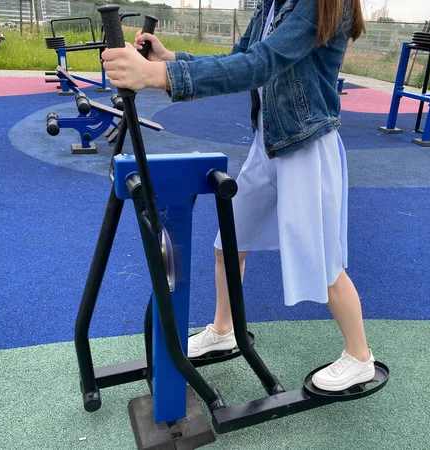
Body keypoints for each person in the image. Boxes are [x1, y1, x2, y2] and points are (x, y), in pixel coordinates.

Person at [102, 0, 377, 392]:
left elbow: (260, 64)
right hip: (269, 142)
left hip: (306, 147)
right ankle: (225, 329)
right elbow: (241, 57)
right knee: (230, 244)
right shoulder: (274, 3)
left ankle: (359, 356)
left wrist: (158, 74)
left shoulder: (321, 5)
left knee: (323, 264)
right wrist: (171, 57)